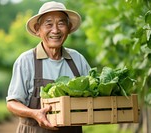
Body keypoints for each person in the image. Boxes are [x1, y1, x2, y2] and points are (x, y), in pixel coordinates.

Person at [6, 1, 91, 133]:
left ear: (68, 28)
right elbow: (12, 103)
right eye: (49, 24)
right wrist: (34, 113)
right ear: (38, 29)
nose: (55, 30)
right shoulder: (26, 61)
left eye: (61, 23)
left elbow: (94, 94)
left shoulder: (77, 59)